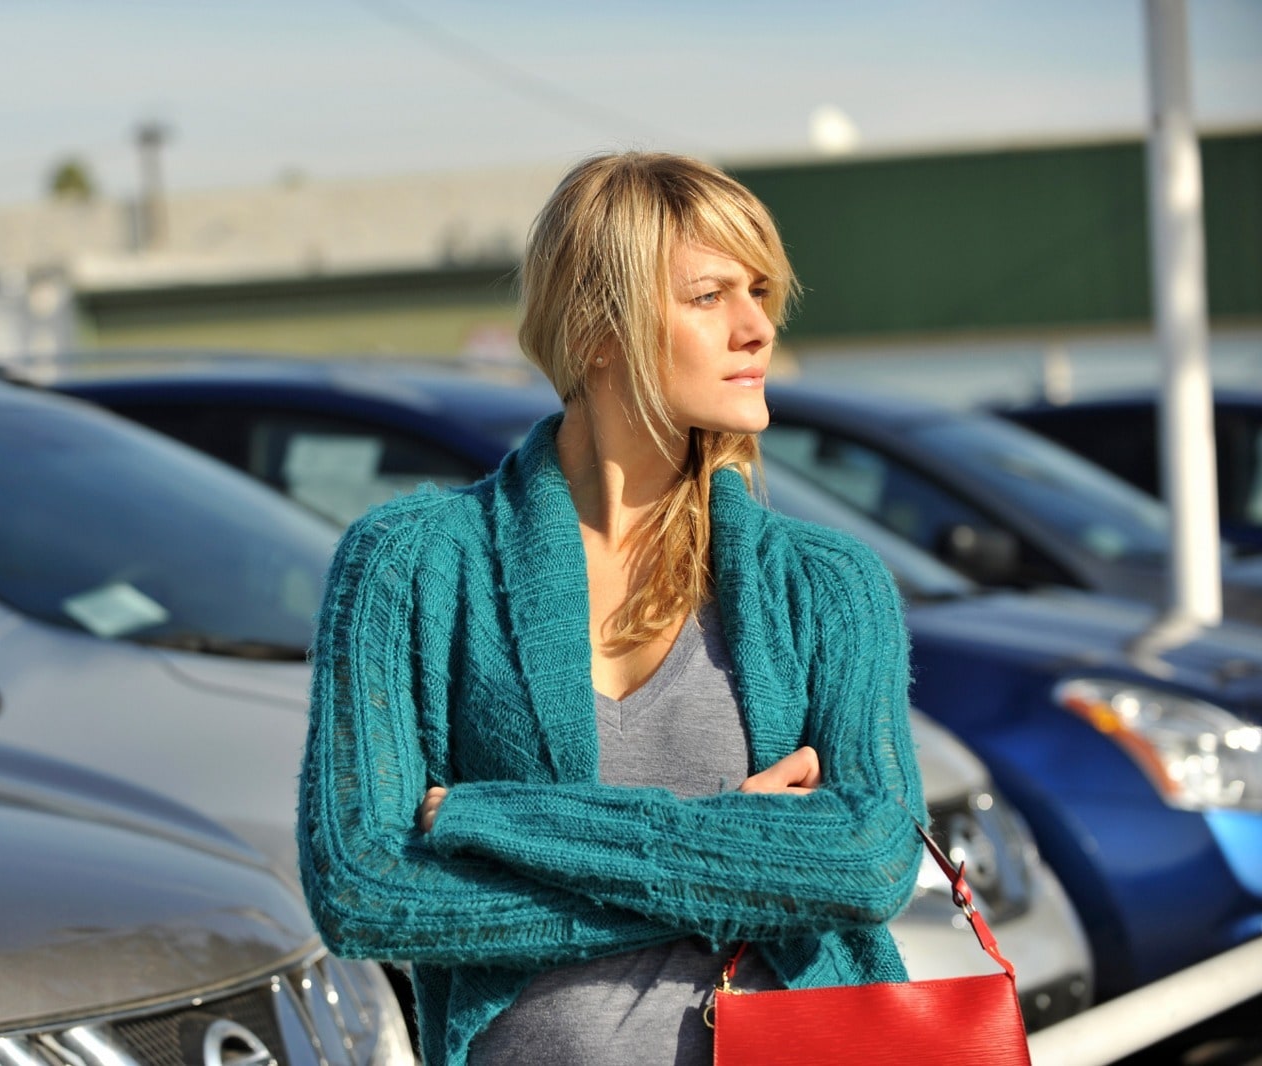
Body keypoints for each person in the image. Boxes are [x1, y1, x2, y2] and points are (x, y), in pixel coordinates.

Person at [296, 151, 926, 1066]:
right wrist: (737, 847)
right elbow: (363, 887)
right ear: (598, 328)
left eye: (760, 291)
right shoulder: (414, 564)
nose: (757, 329)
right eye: (711, 296)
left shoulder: (827, 583)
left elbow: (869, 861)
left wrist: (506, 822)